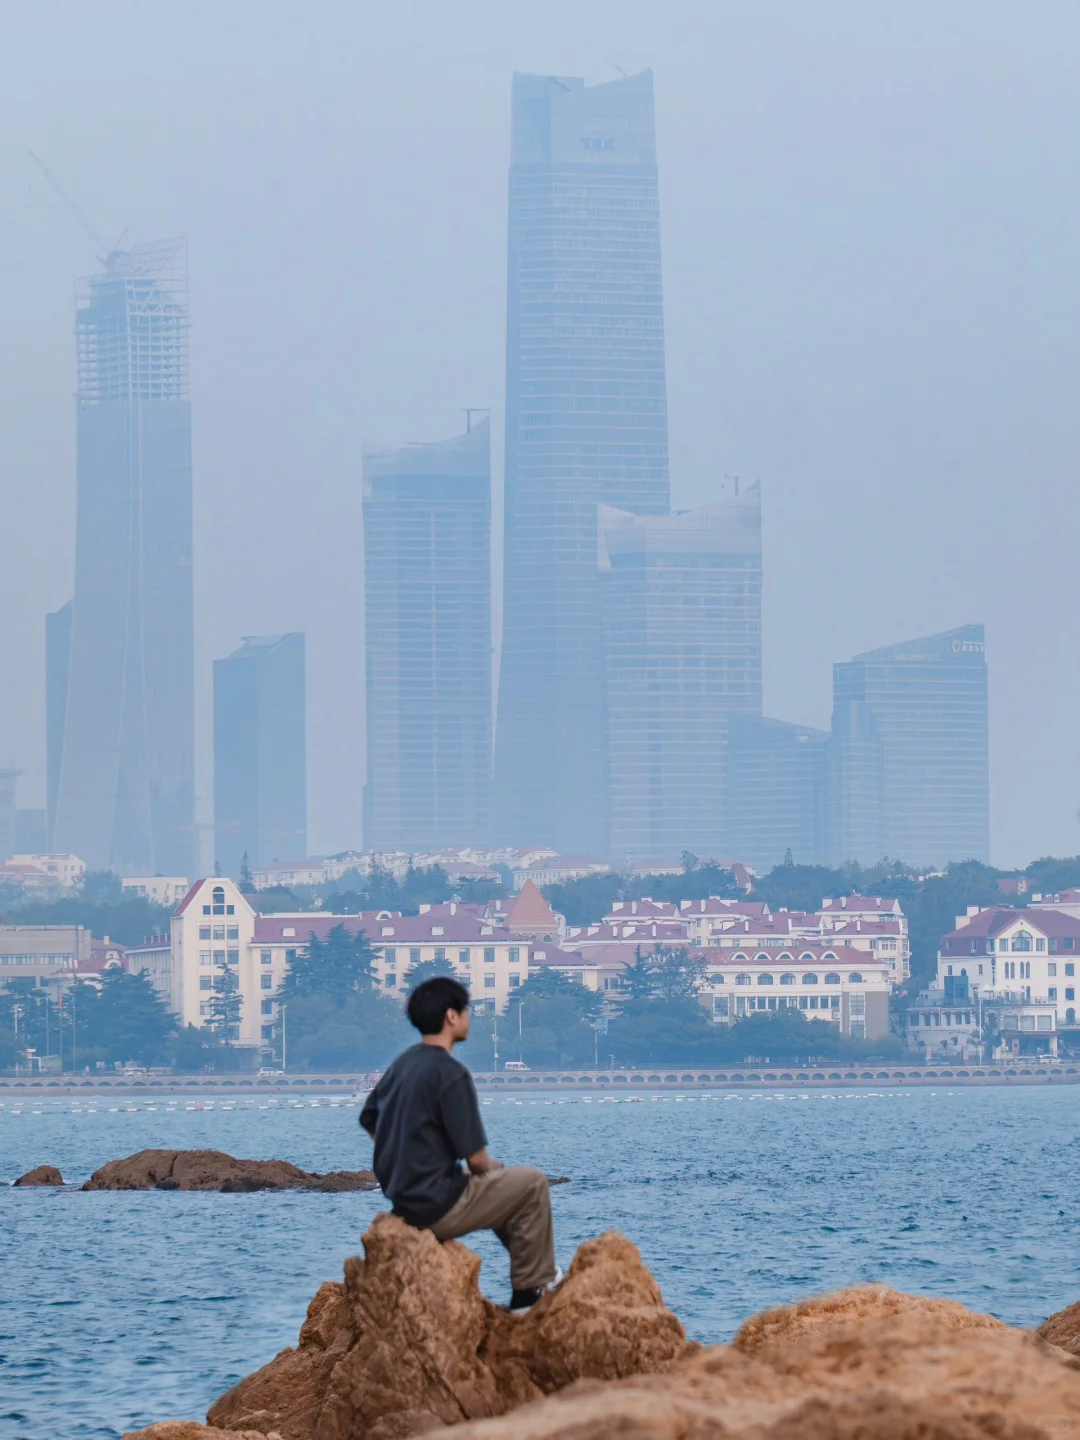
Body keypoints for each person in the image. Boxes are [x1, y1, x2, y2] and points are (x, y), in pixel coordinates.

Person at [360, 976, 559, 1314]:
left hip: (403, 1201)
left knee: (503, 1179)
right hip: (437, 1206)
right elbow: (477, 1160)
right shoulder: (450, 1073)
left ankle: (531, 1272)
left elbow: (369, 1119)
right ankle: (531, 1291)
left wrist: (408, 1150)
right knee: (532, 1183)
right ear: (452, 1016)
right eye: (466, 1011)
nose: (469, 1018)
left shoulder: (403, 1063)